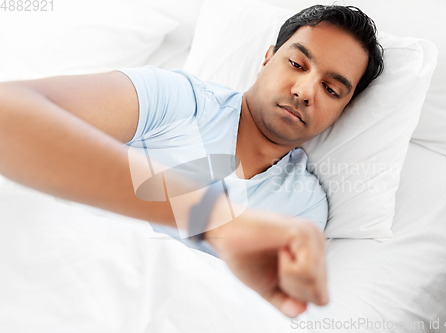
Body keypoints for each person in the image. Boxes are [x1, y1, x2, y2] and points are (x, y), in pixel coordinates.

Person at [0, 5, 383, 319]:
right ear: (267, 59)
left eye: (331, 89)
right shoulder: (178, 100)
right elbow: (7, 115)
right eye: (297, 65)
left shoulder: (304, 204)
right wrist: (218, 223)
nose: (303, 91)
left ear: (341, 111)